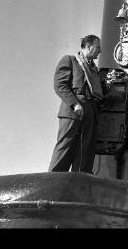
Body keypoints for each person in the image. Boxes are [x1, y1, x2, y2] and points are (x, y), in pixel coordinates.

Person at [48, 35, 103, 174]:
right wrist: (74, 104)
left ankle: (80, 183)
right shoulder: (70, 60)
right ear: (88, 47)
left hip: (90, 113)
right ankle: (54, 181)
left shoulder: (94, 70)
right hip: (73, 112)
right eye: (98, 47)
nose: (100, 51)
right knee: (65, 146)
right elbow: (60, 85)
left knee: (85, 152)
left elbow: (95, 91)